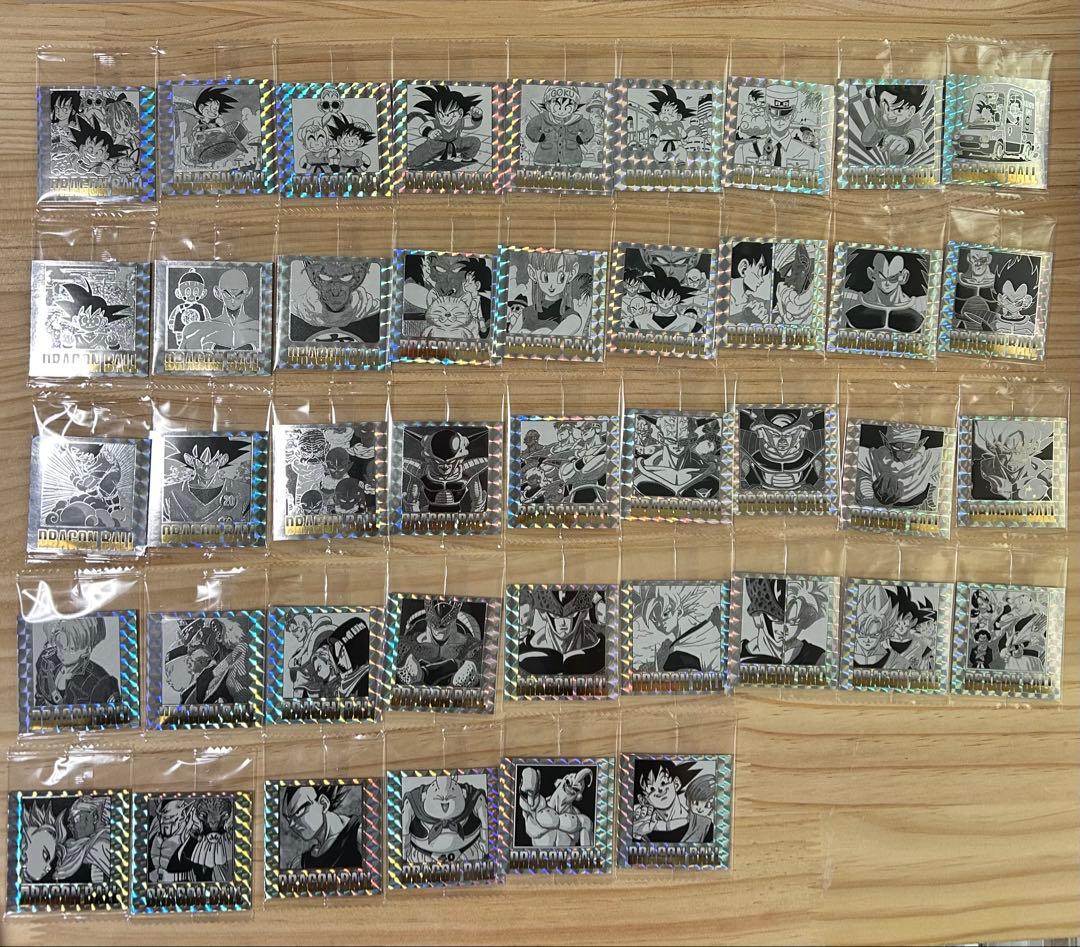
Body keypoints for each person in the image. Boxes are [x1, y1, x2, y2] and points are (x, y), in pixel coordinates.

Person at [34, 615, 120, 707]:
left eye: (71, 649)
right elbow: (39, 699)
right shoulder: (45, 661)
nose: (61, 652)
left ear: (86, 650)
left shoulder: (101, 683)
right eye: (60, 645)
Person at [396, 598, 483, 688]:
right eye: (435, 624)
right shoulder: (405, 645)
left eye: (445, 625)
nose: (439, 628)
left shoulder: (475, 648)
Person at [519, 587, 605, 676]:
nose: (563, 623)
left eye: (570, 616)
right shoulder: (531, 645)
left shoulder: (597, 644)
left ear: (583, 614)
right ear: (544, 614)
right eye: (555, 616)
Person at [401, 774, 487, 864]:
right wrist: (405, 842)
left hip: (468, 853)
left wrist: (484, 838)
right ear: (424, 796)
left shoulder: (472, 796)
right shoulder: (414, 799)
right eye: (436, 789)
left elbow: (481, 803)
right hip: (422, 856)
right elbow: (407, 810)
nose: (445, 797)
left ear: (464, 793)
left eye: (452, 789)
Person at [841, 249, 927, 334]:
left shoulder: (921, 306)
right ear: (871, 274)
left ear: (904, 277)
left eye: (893, 278)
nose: (887, 283)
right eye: (882, 276)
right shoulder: (849, 301)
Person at [855, 423, 939, 509]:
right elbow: (864, 497)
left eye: (907, 449)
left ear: (919, 445)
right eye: (895, 448)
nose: (899, 455)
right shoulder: (870, 457)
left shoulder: (931, 459)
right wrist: (874, 500)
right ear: (886, 443)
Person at [631, 759, 714, 844]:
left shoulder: (704, 826)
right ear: (643, 800)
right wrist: (637, 836)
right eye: (652, 789)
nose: (660, 790)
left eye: (663, 783)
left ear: (676, 783)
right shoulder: (642, 830)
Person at [281, 785, 364, 869]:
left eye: (298, 812)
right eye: (288, 819)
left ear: (323, 804)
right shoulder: (301, 863)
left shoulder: (360, 836)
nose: (291, 824)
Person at [733, 84, 816, 169]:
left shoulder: (810, 154)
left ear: (793, 115)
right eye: (774, 114)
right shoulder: (744, 150)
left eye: (785, 115)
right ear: (767, 114)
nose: (780, 119)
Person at [517, 767, 593, 848]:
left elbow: (588, 849)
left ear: (578, 796)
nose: (570, 787)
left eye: (576, 789)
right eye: (568, 781)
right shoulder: (538, 804)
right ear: (559, 782)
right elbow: (525, 799)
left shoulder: (581, 819)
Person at [524, 85, 594, 167]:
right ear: (548, 105)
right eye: (557, 105)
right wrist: (538, 136)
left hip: (571, 160)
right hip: (544, 159)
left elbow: (589, 129)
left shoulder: (577, 120)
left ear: (575, 107)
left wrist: (582, 138)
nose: (562, 109)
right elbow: (531, 127)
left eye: (568, 106)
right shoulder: (542, 118)